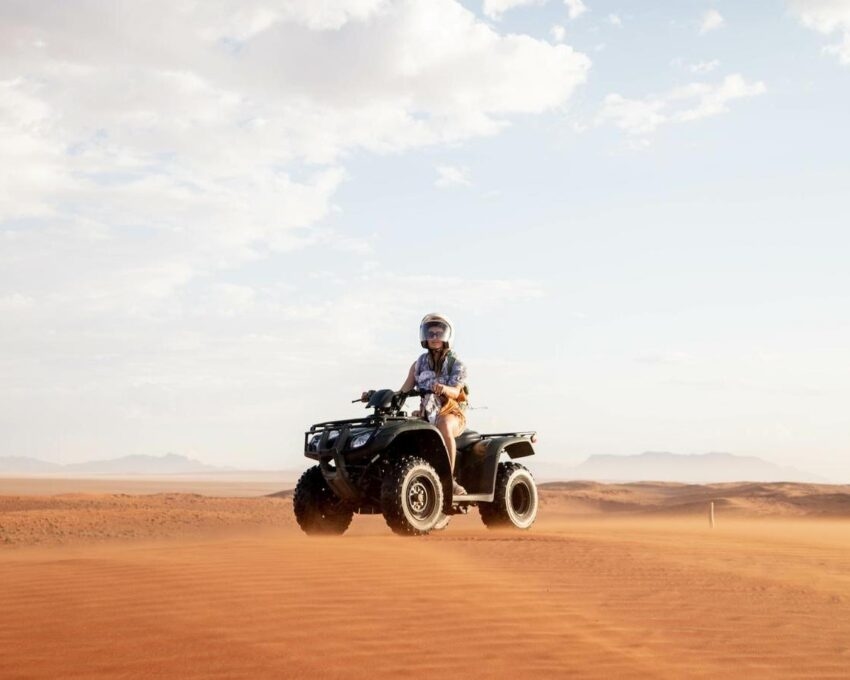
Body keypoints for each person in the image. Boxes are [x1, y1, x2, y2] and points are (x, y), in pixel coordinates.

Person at [399, 313, 469, 495]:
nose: (435, 337)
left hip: (452, 413)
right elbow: (404, 390)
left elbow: (456, 391)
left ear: (447, 336)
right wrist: (378, 395)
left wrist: (443, 389)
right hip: (426, 414)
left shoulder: (457, 363)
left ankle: (449, 481)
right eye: (431, 333)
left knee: (443, 425)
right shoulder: (419, 364)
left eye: (439, 333)